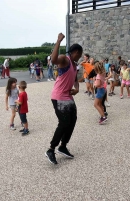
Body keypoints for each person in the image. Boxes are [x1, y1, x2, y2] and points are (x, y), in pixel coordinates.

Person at [45, 33, 83, 165]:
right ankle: (51, 149)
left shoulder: (74, 64)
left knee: (72, 120)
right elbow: (54, 59)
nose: (80, 57)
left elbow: (75, 79)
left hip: (68, 96)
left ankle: (63, 146)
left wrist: (77, 88)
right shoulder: (65, 60)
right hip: (59, 96)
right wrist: (58, 41)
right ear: (76, 52)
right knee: (64, 122)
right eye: (80, 54)